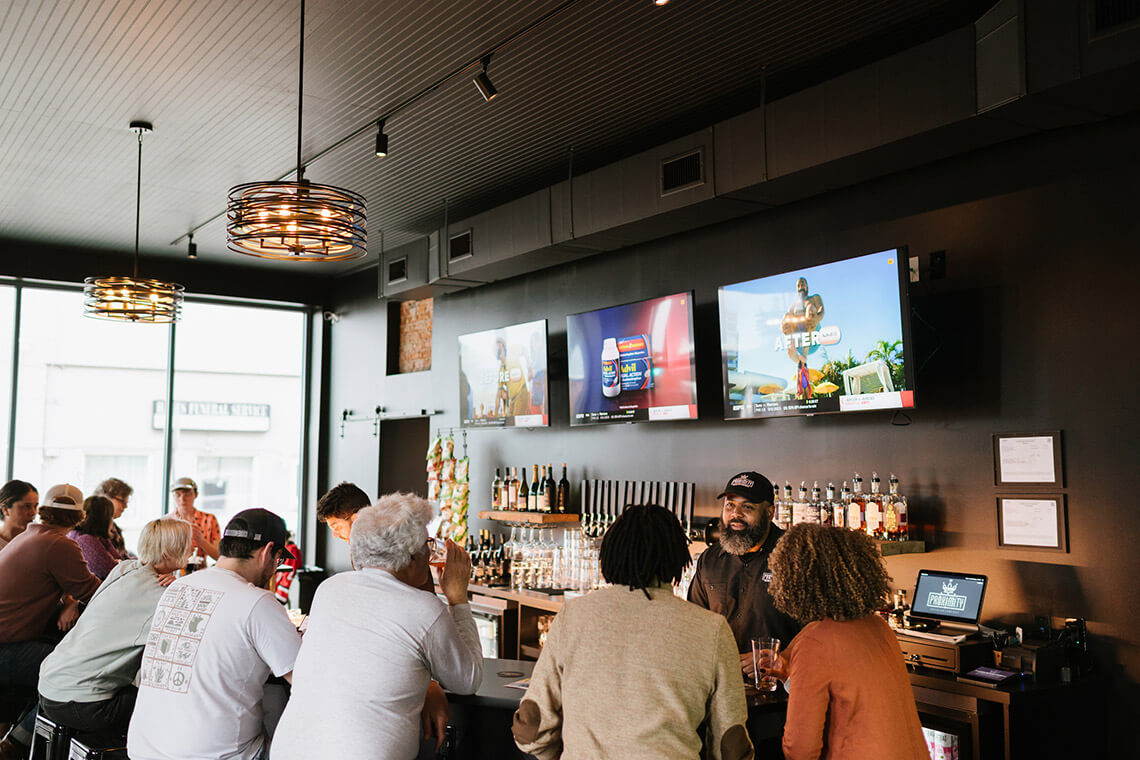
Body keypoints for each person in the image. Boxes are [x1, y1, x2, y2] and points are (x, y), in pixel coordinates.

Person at [513, 504, 753, 760]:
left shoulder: (573, 616)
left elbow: (531, 729)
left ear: (610, 554)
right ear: (678, 559)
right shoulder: (711, 630)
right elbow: (732, 745)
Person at [271, 493, 482, 760]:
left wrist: (427, 684)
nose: (430, 552)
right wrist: (458, 599)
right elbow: (468, 679)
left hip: (289, 750)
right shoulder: (426, 609)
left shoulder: (330, 589)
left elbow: (370, 661)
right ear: (411, 556)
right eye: (427, 545)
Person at [127, 508, 302, 760]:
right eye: (278, 560)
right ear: (267, 552)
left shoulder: (177, 587)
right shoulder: (258, 601)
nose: (276, 568)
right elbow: (304, 680)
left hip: (144, 750)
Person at [766, 524, 927, 760]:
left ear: (794, 580)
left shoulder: (815, 642)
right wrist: (792, 677)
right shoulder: (878, 626)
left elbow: (800, 749)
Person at [37, 518, 193, 747]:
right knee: (168, 700)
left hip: (50, 685)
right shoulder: (164, 595)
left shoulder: (124, 569)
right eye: (187, 544)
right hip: (82, 703)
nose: (192, 549)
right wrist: (181, 586)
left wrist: (178, 584)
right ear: (171, 552)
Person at [314, 482, 448, 747]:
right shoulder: (369, 548)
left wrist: (430, 683)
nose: (335, 536)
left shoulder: (391, 547)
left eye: (336, 527)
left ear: (355, 518)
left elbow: (419, 618)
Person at [0, 484, 101, 758]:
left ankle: (19, 738)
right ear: (79, 518)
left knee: (64, 656)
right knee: (74, 674)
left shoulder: (28, 536)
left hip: (10, 640)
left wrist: (69, 601)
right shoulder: (60, 545)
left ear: (43, 512)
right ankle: (15, 746)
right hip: (6, 649)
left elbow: (60, 583)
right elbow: (97, 593)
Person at [688, 471, 802, 679]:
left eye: (747, 507)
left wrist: (779, 657)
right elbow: (694, 624)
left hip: (782, 694)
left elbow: (820, 629)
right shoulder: (710, 559)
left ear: (770, 512)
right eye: (730, 505)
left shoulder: (795, 556)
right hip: (722, 688)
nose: (735, 514)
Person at [67, 495, 121, 579]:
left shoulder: (96, 537)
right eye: (111, 517)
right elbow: (111, 572)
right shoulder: (85, 540)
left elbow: (119, 559)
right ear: (104, 520)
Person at [169, 477, 219, 562]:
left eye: (187, 494)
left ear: (196, 495)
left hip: (200, 571)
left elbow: (218, 556)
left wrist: (201, 540)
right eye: (178, 494)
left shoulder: (210, 519)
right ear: (173, 496)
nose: (182, 499)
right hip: (173, 572)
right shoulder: (166, 521)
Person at [93, 477, 134, 559]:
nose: (125, 506)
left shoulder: (115, 528)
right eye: (122, 501)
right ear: (105, 498)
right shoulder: (93, 530)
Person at [0, 480, 37, 551]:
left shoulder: (37, 541)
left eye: (35, 506)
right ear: (6, 509)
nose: (33, 512)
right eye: (27, 506)